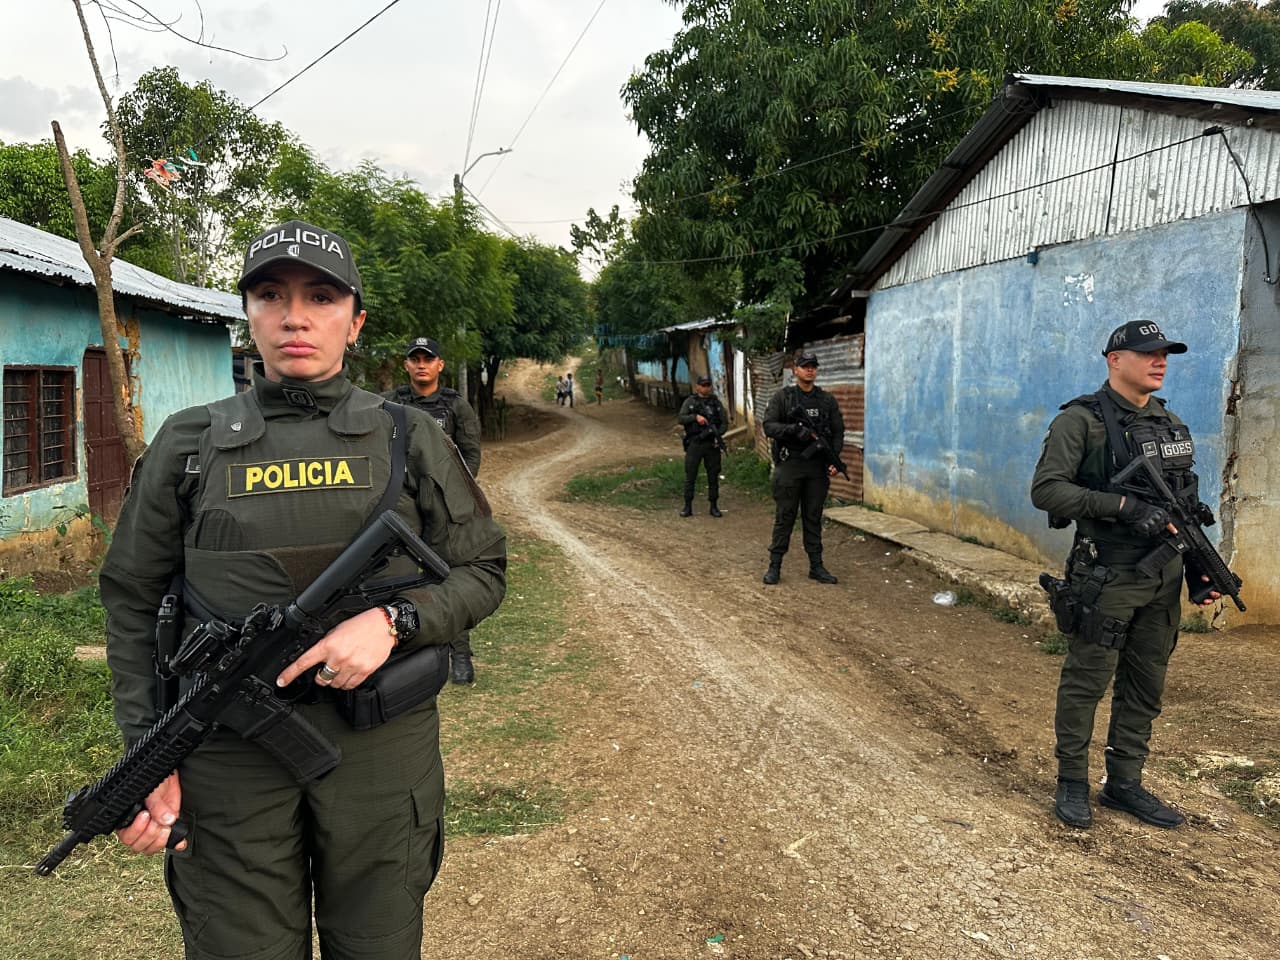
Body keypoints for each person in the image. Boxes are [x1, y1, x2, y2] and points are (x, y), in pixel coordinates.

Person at [100, 219, 507, 959]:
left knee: (377, 943)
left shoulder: (408, 437)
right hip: (227, 757)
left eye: (321, 297)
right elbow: (130, 600)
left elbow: (483, 571)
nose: (294, 316)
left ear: (354, 322)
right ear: (246, 315)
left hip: (380, 748)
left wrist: (396, 618)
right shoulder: (188, 446)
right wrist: (145, 754)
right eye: (270, 294)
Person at [1031, 320, 1219, 831]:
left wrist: (1202, 572)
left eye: (1164, 354)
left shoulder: (1169, 423)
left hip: (1163, 576)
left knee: (1145, 684)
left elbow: (1187, 506)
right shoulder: (1081, 421)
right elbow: (1047, 490)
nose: (1159, 361)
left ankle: (1124, 783)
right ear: (1115, 359)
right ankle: (1072, 781)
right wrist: (1120, 505)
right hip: (1107, 574)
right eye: (1147, 353)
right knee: (1087, 680)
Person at [384, 337, 484, 685]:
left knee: (448, 574)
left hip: (444, 507)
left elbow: (471, 454)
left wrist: (456, 493)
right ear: (407, 365)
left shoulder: (456, 406)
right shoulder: (393, 403)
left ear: (441, 365)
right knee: (397, 574)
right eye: (415, 359)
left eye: (429, 359)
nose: (422, 364)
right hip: (404, 506)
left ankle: (460, 656)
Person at [761, 351, 843, 585]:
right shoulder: (783, 398)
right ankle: (774, 566)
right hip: (791, 465)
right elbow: (769, 426)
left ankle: (816, 567)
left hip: (817, 467)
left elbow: (838, 432)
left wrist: (833, 459)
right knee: (785, 516)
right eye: (805, 366)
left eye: (813, 367)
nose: (810, 370)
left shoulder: (827, 401)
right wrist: (793, 430)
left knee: (813, 517)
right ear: (796, 370)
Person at [677, 374, 728, 518]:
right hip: (695, 443)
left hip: (711, 444)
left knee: (713, 476)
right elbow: (681, 418)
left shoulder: (716, 403)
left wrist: (719, 435)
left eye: (708, 385)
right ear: (698, 386)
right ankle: (687, 506)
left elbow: (724, 423)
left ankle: (714, 506)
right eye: (703, 385)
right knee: (690, 475)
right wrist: (695, 417)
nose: (706, 388)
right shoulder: (690, 402)